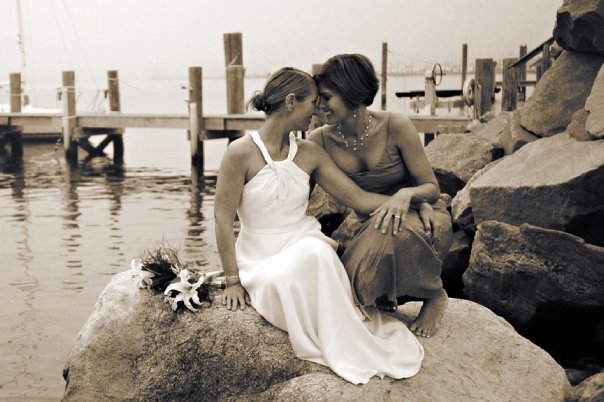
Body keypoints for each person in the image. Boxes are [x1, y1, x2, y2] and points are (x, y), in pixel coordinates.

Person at [214, 67, 424, 385]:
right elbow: (221, 218)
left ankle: (346, 337)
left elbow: (358, 198)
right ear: (290, 102)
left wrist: (407, 200)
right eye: (312, 102)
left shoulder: (310, 152)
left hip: (302, 240)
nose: (317, 111)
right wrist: (232, 280)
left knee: (316, 251)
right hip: (258, 256)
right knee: (288, 273)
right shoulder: (239, 153)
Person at [309, 54, 453, 338]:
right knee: (360, 258)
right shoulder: (320, 140)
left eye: (326, 97)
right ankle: (382, 294)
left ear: (351, 92)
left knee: (389, 233)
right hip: (372, 222)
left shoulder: (395, 126)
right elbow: (298, 196)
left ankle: (435, 294)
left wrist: (409, 196)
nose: (319, 106)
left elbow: (431, 188)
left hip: (424, 216)